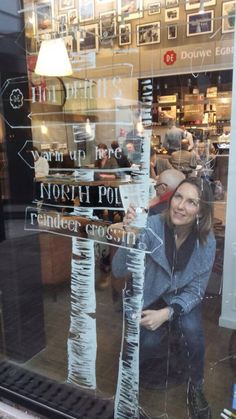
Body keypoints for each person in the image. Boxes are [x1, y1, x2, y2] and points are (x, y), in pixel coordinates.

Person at [112, 177, 216, 419]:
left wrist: (168, 313)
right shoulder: (151, 226)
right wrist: (130, 234)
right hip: (150, 296)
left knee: (193, 331)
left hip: (181, 299)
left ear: (202, 210)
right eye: (178, 197)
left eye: (191, 202)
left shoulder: (206, 241)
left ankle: (196, 387)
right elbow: (118, 270)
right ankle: (127, 384)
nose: (180, 206)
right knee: (146, 343)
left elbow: (197, 289)